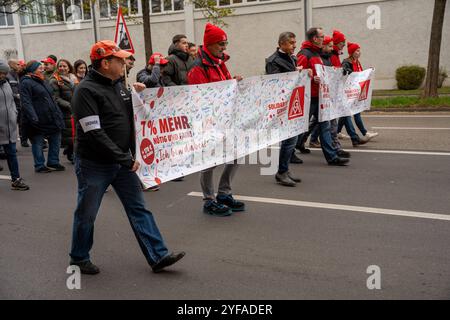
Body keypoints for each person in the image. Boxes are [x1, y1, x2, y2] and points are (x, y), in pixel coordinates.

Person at [70, 40, 185, 274]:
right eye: (120, 59)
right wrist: (125, 159)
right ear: (105, 63)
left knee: (139, 208)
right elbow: (94, 134)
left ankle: (158, 255)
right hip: (95, 164)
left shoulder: (120, 86)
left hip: (122, 161)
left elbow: (132, 120)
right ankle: (79, 257)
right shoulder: (85, 91)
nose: (124, 63)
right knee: (87, 213)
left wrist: (137, 96)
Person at [188, 23, 245, 217]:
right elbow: (201, 97)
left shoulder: (220, 63)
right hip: (208, 121)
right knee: (209, 161)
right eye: (221, 43)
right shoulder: (198, 67)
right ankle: (208, 200)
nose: (224, 47)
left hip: (225, 118)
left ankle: (223, 193)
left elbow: (225, 87)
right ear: (210, 44)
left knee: (236, 154)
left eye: (225, 43)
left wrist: (233, 82)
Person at [297, 27, 349, 166]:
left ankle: (332, 157)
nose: (323, 39)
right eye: (321, 37)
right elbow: (297, 75)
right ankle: (291, 150)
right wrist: (310, 78)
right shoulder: (305, 54)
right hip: (310, 98)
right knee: (300, 126)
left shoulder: (318, 54)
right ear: (315, 38)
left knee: (325, 126)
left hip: (321, 96)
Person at [265, 32, 304, 187]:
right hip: (281, 106)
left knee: (292, 139)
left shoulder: (292, 58)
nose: (294, 45)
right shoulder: (273, 61)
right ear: (281, 44)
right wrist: (295, 74)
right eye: (291, 43)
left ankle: (285, 170)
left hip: (292, 103)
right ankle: (281, 172)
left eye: (295, 42)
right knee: (288, 140)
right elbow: (275, 83)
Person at [20, 60, 65, 173]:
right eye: (39, 68)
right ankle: (39, 165)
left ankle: (53, 162)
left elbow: (51, 97)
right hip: (38, 118)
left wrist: (57, 112)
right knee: (38, 141)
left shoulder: (42, 80)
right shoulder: (26, 82)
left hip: (51, 116)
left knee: (56, 137)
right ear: (32, 70)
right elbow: (26, 102)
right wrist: (33, 117)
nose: (42, 69)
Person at [0, 60, 30, 190]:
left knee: (12, 153)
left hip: (10, 126)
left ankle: (16, 179)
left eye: (5, 73)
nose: (4, 75)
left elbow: (11, 101)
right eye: (1, 73)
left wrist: (14, 113)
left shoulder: (6, 83)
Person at [342, 42, 378, 140]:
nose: (359, 52)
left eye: (359, 50)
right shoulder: (346, 62)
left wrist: (368, 71)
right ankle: (364, 133)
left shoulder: (357, 62)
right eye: (357, 50)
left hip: (356, 91)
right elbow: (346, 73)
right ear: (352, 52)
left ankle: (337, 132)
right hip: (349, 93)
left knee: (344, 115)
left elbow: (360, 75)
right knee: (355, 112)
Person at [49, 59, 79, 163]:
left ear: (69, 67)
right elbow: (56, 98)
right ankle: (71, 154)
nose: (62, 68)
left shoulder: (73, 78)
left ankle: (70, 151)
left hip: (75, 108)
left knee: (74, 133)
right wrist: (69, 105)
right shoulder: (54, 80)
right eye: (60, 66)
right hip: (65, 110)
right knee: (69, 134)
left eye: (64, 66)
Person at [7, 59, 29, 147]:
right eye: (17, 64)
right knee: (12, 124)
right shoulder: (8, 76)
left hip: (20, 103)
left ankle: (23, 140)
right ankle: (11, 144)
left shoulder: (18, 75)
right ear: (11, 65)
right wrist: (16, 95)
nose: (20, 66)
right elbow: (6, 90)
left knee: (22, 122)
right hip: (12, 104)